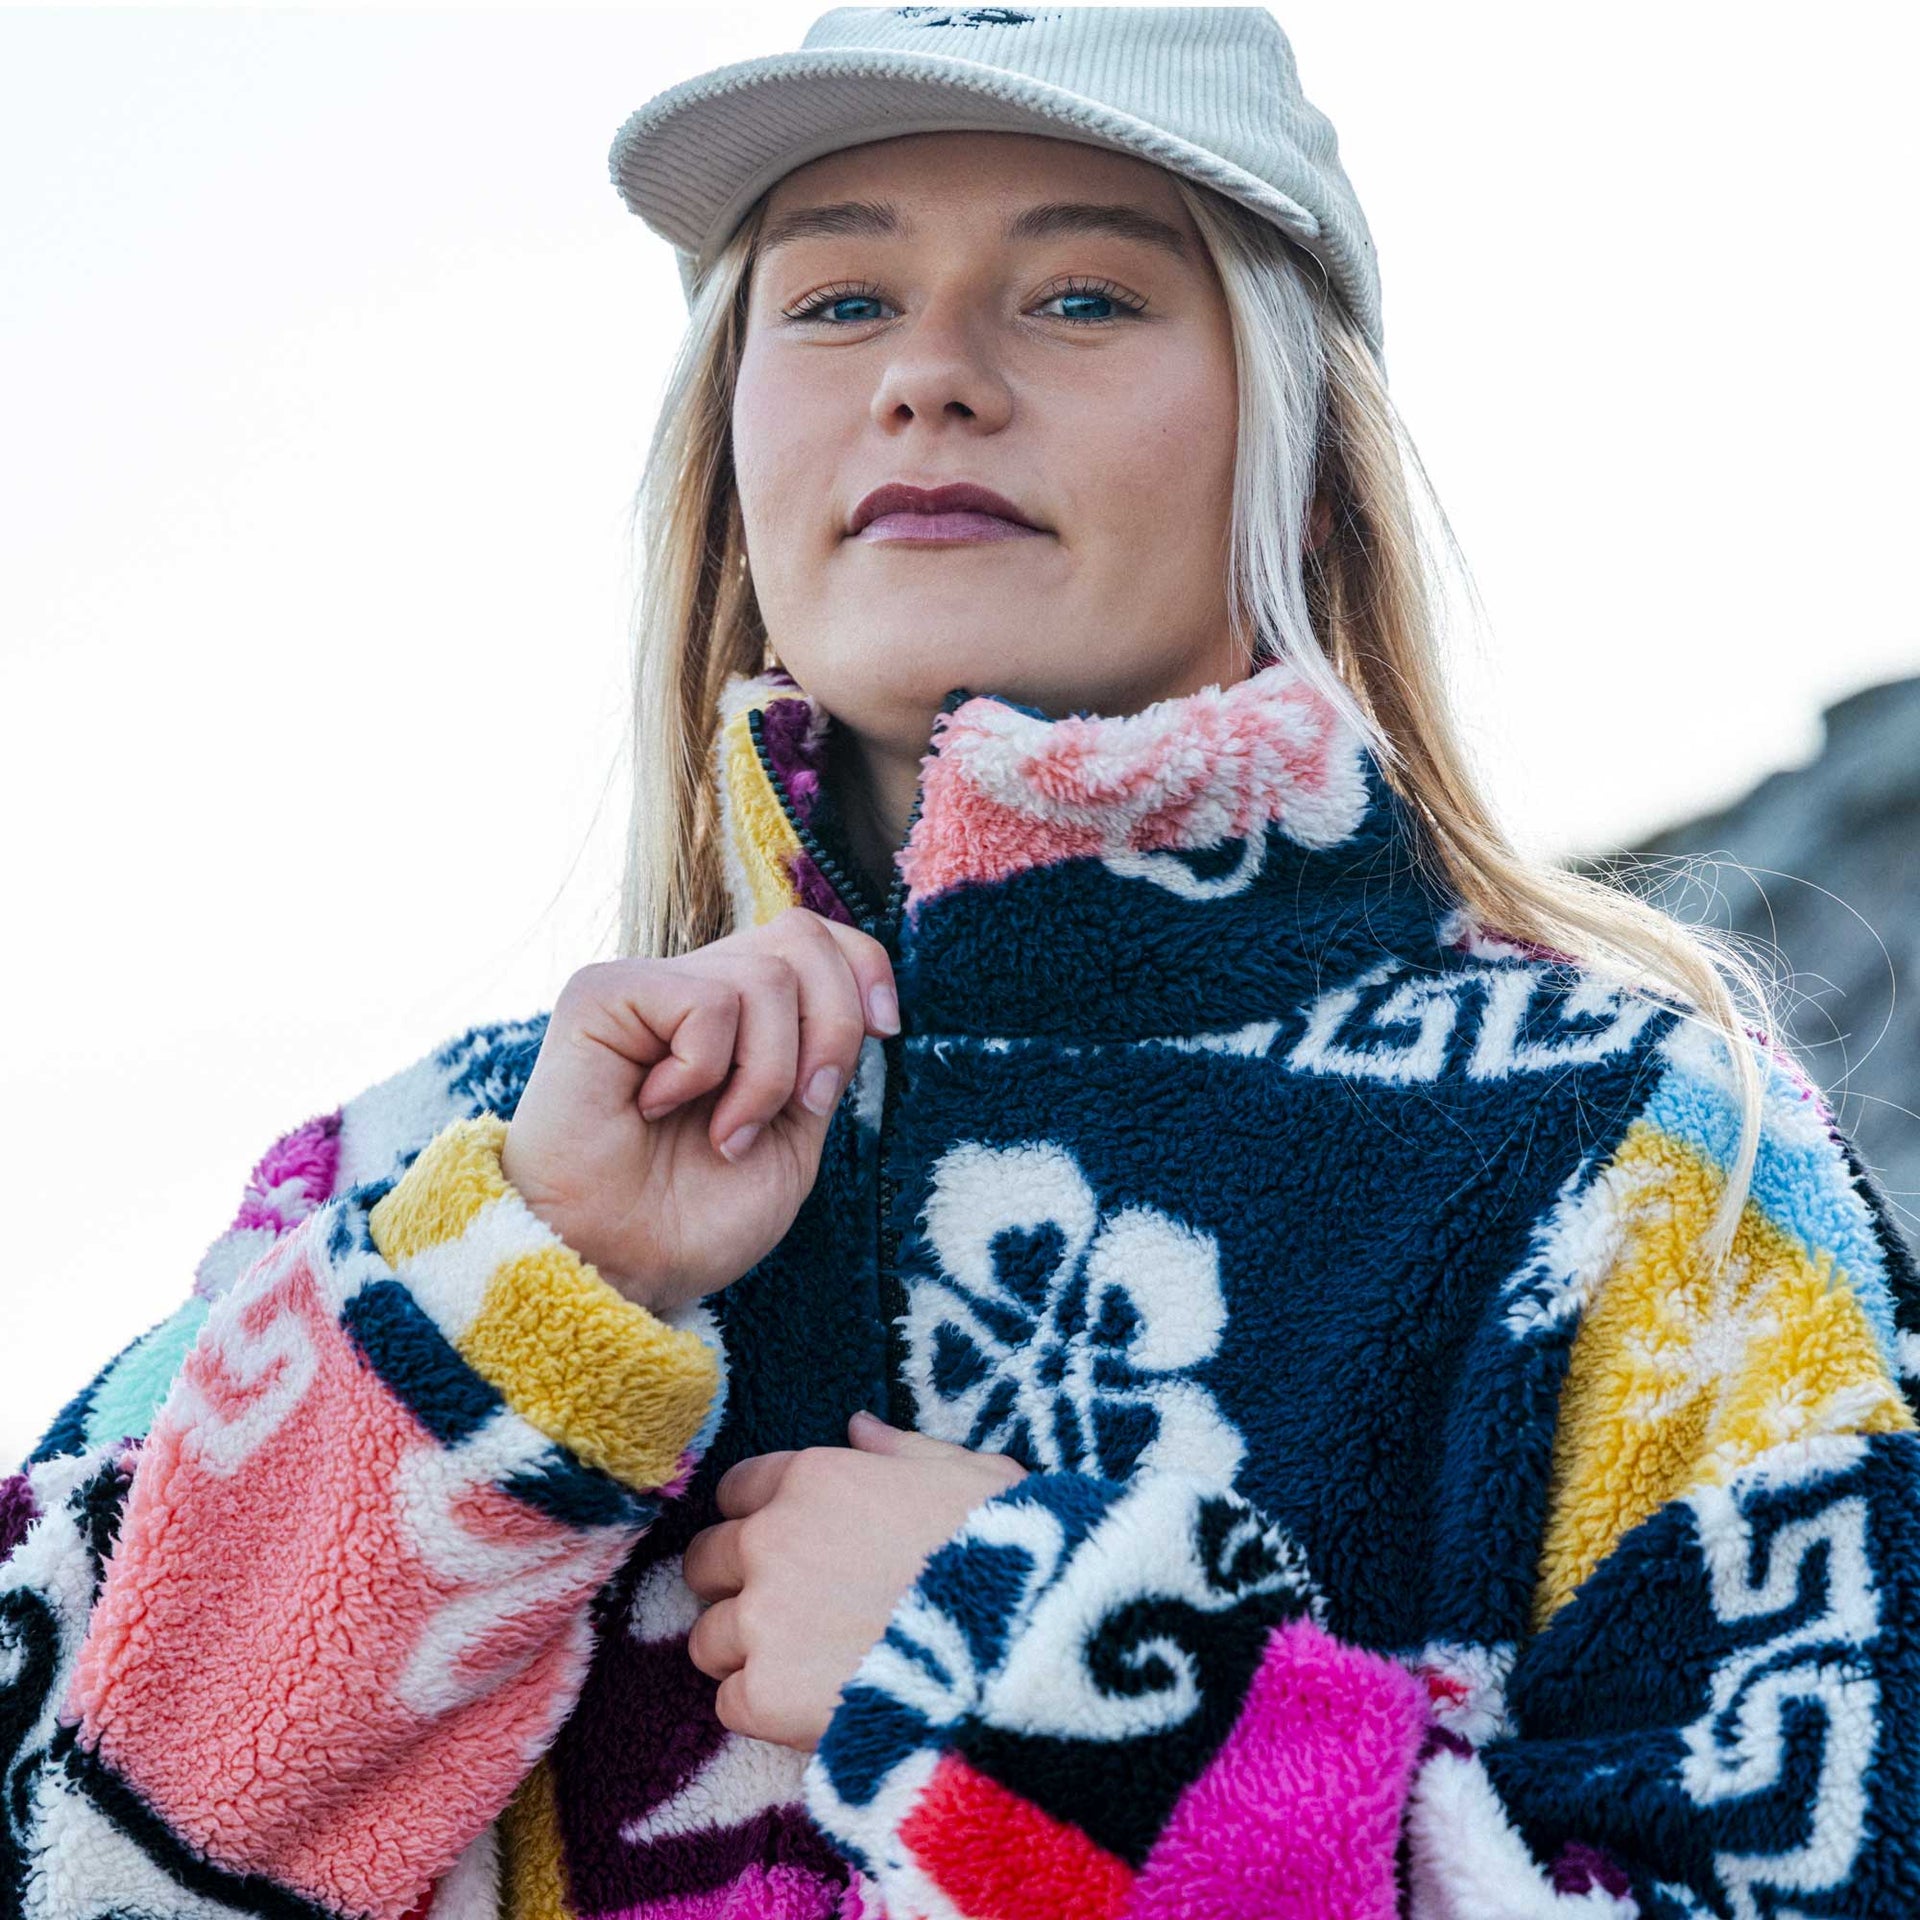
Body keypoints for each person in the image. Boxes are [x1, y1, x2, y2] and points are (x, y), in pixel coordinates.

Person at [5, 8, 1917, 1918]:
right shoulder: (436, 1182)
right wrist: (518, 1320)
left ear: (1306, 450)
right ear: (730, 436)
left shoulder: (1644, 1164)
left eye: (1083, 294)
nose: (929, 372)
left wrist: (1057, 1696)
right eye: (836, 300)